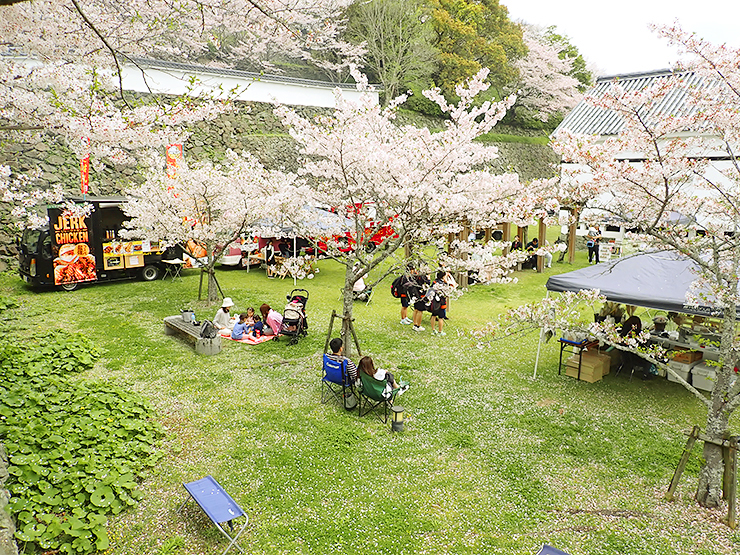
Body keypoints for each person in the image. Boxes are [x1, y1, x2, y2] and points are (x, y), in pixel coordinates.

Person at [429, 271, 449, 336]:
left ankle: (433, 330)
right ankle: (440, 331)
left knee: (433, 315)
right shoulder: (444, 284)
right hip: (442, 302)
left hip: (434, 302)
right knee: (441, 317)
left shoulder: (434, 282)